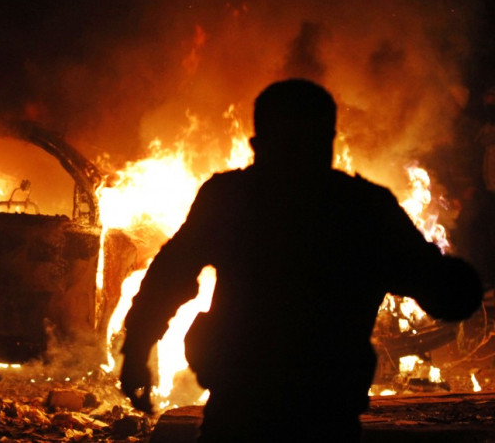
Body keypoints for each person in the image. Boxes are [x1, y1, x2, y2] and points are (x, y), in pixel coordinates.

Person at [119, 79, 483, 442]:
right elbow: (448, 296)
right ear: (330, 142)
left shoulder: (231, 198)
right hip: (322, 416)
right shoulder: (363, 208)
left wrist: (136, 353)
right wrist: (456, 277)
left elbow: (169, 277)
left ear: (257, 145)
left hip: (241, 411)